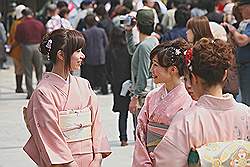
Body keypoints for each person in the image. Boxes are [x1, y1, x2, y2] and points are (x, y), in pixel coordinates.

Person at [154, 38, 250, 167]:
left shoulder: (186, 120)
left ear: (193, 78)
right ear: (224, 75)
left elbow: (166, 163)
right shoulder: (246, 114)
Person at [23, 29, 111, 167]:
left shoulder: (83, 84)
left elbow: (97, 123)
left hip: (90, 160)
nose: (82, 56)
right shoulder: (43, 92)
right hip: (63, 163)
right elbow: (49, 134)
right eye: (78, 51)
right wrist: (70, 164)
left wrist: (98, 157)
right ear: (61, 55)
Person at [132, 38, 195, 167]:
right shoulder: (152, 97)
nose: (151, 70)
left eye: (155, 65)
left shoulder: (190, 100)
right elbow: (141, 134)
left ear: (173, 70)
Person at [125, 9, 159, 137]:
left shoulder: (145, 46)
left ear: (138, 26)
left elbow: (142, 73)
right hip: (149, 91)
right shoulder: (152, 41)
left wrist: (135, 97)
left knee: (141, 134)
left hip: (143, 95)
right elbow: (133, 50)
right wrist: (128, 32)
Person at [106, 26, 131, 146]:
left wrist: (111, 80)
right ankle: (138, 135)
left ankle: (123, 138)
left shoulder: (109, 50)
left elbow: (107, 68)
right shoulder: (128, 49)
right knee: (136, 111)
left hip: (117, 83)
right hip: (129, 82)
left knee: (123, 112)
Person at [222, 0, 250, 106]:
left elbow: (242, 41)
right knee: (244, 95)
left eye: (242, 9)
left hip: (248, 65)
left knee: (247, 97)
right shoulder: (244, 23)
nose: (241, 12)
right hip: (242, 65)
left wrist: (233, 30)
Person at [15, 8, 46, 99]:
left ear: (23, 15)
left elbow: (17, 38)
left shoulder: (21, 25)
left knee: (28, 71)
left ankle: (30, 93)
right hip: (37, 46)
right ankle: (41, 92)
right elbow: (44, 35)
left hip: (26, 47)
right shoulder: (39, 23)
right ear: (32, 14)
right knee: (39, 70)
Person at [80, 14, 109, 95]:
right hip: (100, 56)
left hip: (89, 57)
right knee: (102, 75)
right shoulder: (102, 31)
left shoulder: (85, 33)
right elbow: (106, 44)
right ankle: (104, 90)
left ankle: (90, 91)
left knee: (90, 75)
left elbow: (84, 47)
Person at [7, 4, 26, 93]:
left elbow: (10, 37)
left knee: (18, 70)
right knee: (24, 69)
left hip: (15, 50)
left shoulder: (14, 23)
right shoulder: (22, 23)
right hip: (22, 49)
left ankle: (18, 87)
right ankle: (20, 87)